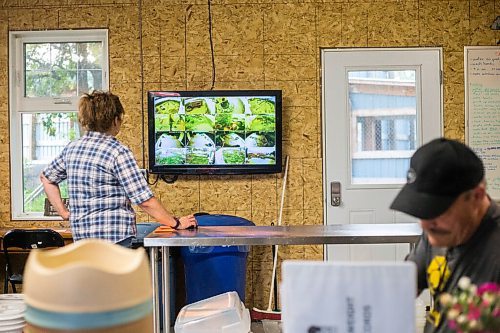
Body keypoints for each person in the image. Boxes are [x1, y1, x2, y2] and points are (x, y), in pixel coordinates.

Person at [40, 90, 197, 246]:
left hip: (83, 241)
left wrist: (63, 212)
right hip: (114, 241)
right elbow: (145, 201)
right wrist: (176, 223)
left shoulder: (72, 149)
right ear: (115, 120)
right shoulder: (117, 151)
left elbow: (46, 178)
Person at [390, 137, 500, 333]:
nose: (425, 224)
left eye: (437, 210)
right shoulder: (437, 232)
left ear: (477, 196)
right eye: (422, 211)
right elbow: (401, 289)